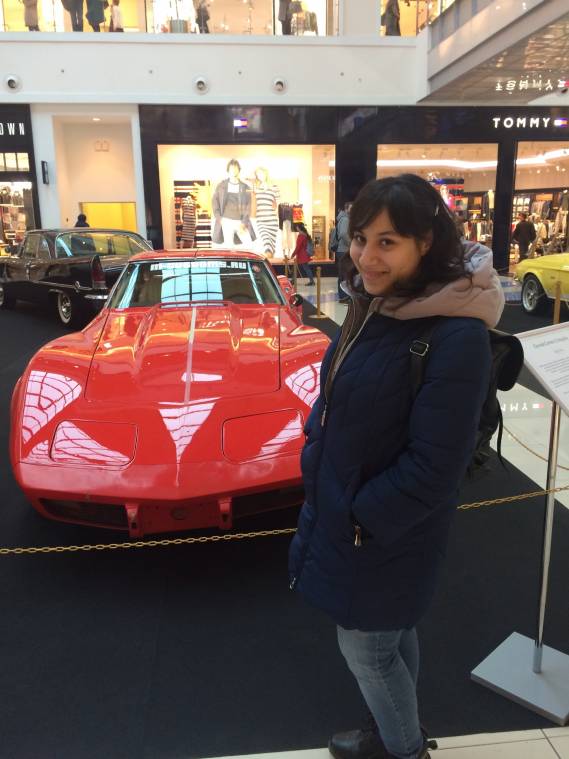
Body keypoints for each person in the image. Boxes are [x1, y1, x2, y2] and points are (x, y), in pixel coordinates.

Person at [289, 174, 504, 759]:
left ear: (425, 243)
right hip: (350, 511)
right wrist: (317, 451)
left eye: (387, 242)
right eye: (361, 239)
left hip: (383, 530)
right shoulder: (377, 305)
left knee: (368, 650)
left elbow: (435, 466)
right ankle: (387, 736)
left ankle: (404, 751)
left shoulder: (455, 335)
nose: (366, 257)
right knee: (390, 634)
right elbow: (338, 394)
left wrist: (361, 516)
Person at [211, 159, 256, 248]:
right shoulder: (221, 185)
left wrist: (244, 222)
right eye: (231, 169)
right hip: (226, 220)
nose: (234, 171)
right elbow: (214, 202)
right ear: (228, 170)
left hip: (240, 221)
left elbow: (248, 206)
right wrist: (219, 218)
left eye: (235, 168)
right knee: (229, 248)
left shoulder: (245, 187)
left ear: (239, 170)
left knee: (249, 246)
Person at [335, 202, 352, 302]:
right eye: (351, 208)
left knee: (343, 274)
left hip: (342, 250)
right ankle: (344, 296)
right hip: (344, 250)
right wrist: (351, 244)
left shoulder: (343, 218)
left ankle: (343, 296)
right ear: (346, 209)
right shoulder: (345, 219)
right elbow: (343, 234)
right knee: (345, 274)